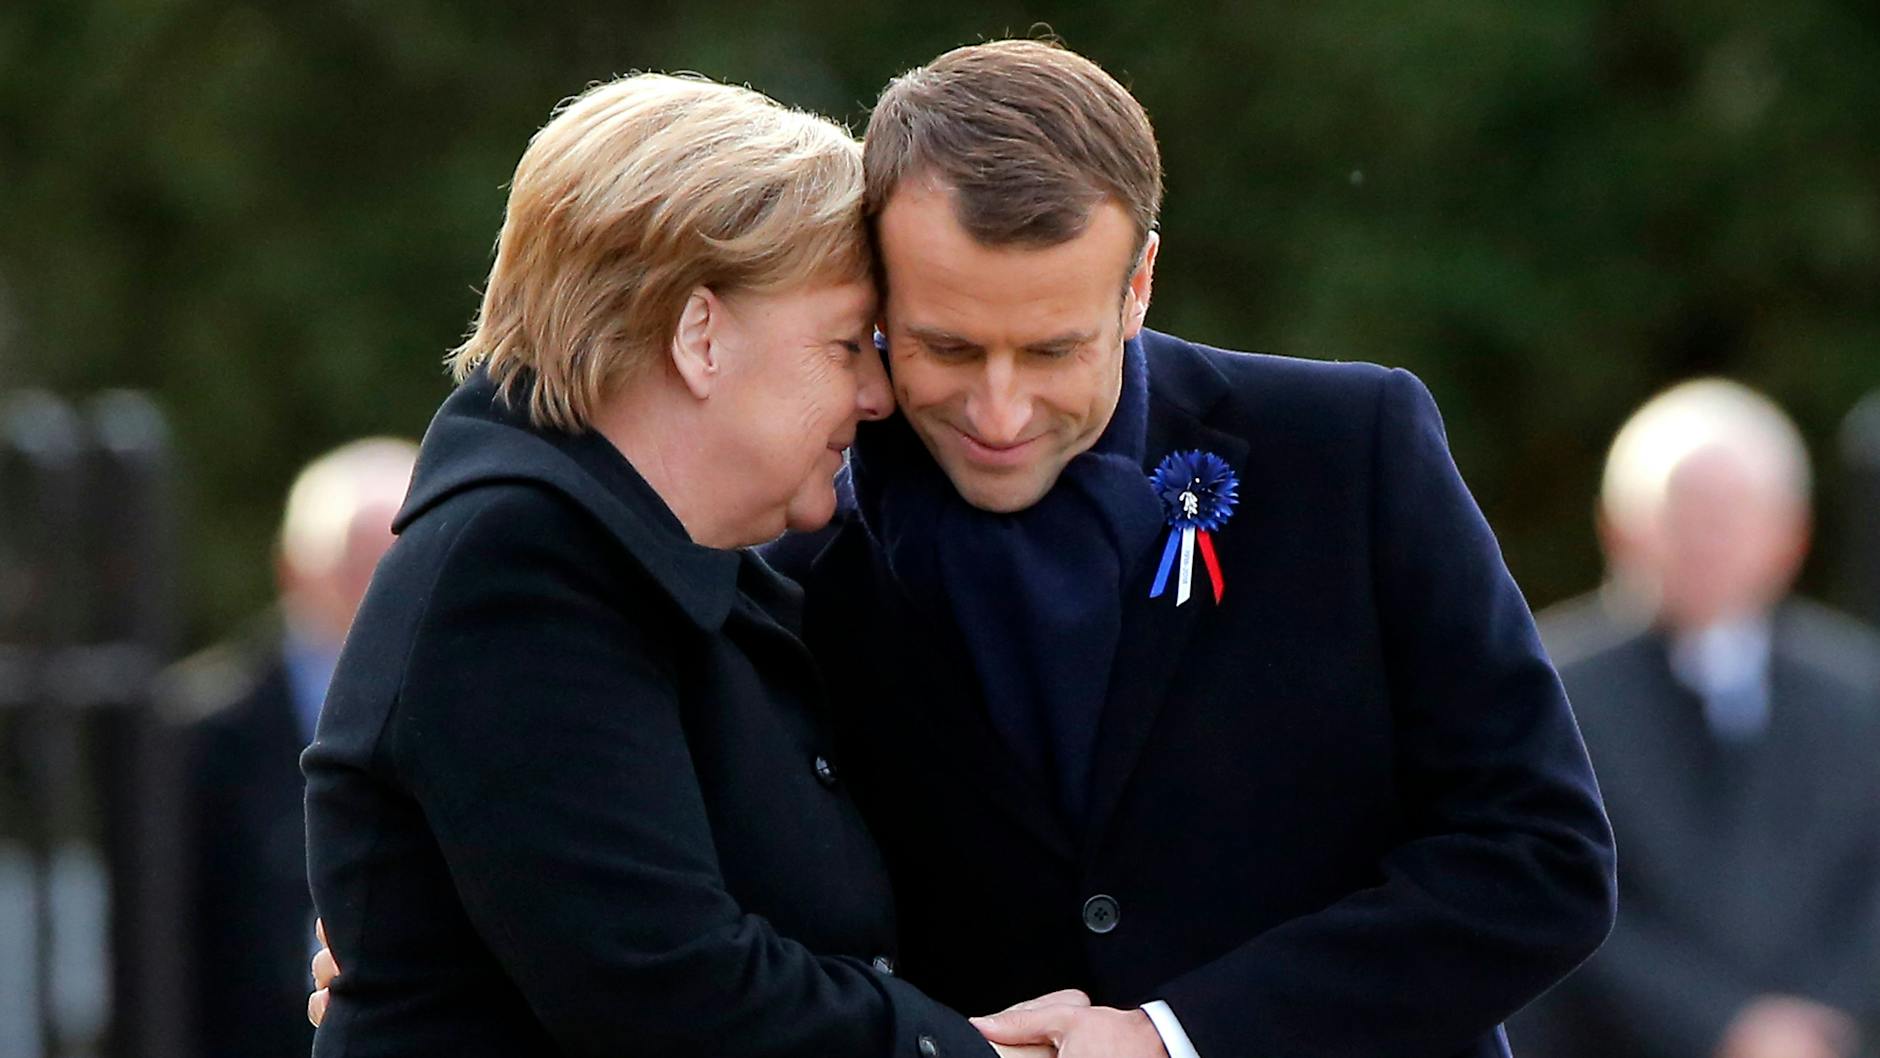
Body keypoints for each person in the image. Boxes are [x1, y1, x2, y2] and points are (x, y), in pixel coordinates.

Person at [312, 40, 1616, 1058]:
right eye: (935, 346)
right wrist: (428, 930)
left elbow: (1540, 857)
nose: (995, 411)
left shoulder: (1349, 447)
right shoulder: (786, 532)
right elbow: (660, 907)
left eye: (1052, 350)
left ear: (1141, 285)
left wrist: (1177, 1033)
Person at [300, 73, 1055, 1058]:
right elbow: (668, 984)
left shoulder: (674, 573)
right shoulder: (519, 570)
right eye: (842, 343)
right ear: (701, 335)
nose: (877, 393)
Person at [1511, 380, 1880, 1058]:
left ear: (1789, 535)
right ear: (1617, 527)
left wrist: (1814, 1023)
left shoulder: (1859, 692)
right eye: (1681, 513)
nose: (1706, 540)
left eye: (1731, 515)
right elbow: (1541, 879)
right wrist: (1720, 1026)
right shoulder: (1549, 686)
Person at [162, 436, 414, 1058]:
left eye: (399, 563)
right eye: (356, 566)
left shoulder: (484, 704)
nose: (377, 593)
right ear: (293, 570)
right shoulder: (197, 729)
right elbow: (164, 951)